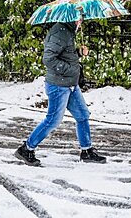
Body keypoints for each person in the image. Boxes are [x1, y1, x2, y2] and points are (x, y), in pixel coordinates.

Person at [15, 16, 106, 166]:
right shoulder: (60, 32)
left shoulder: (68, 31)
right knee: (53, 120)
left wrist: (78, 53)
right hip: (59, 85)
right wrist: (70, 70)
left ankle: (87, 151)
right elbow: (49, 59)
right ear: (71, 16)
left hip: (70, 84)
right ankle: (26, 149)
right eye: (79, 18)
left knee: (82, 115)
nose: (81, 20)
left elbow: (64, 54)